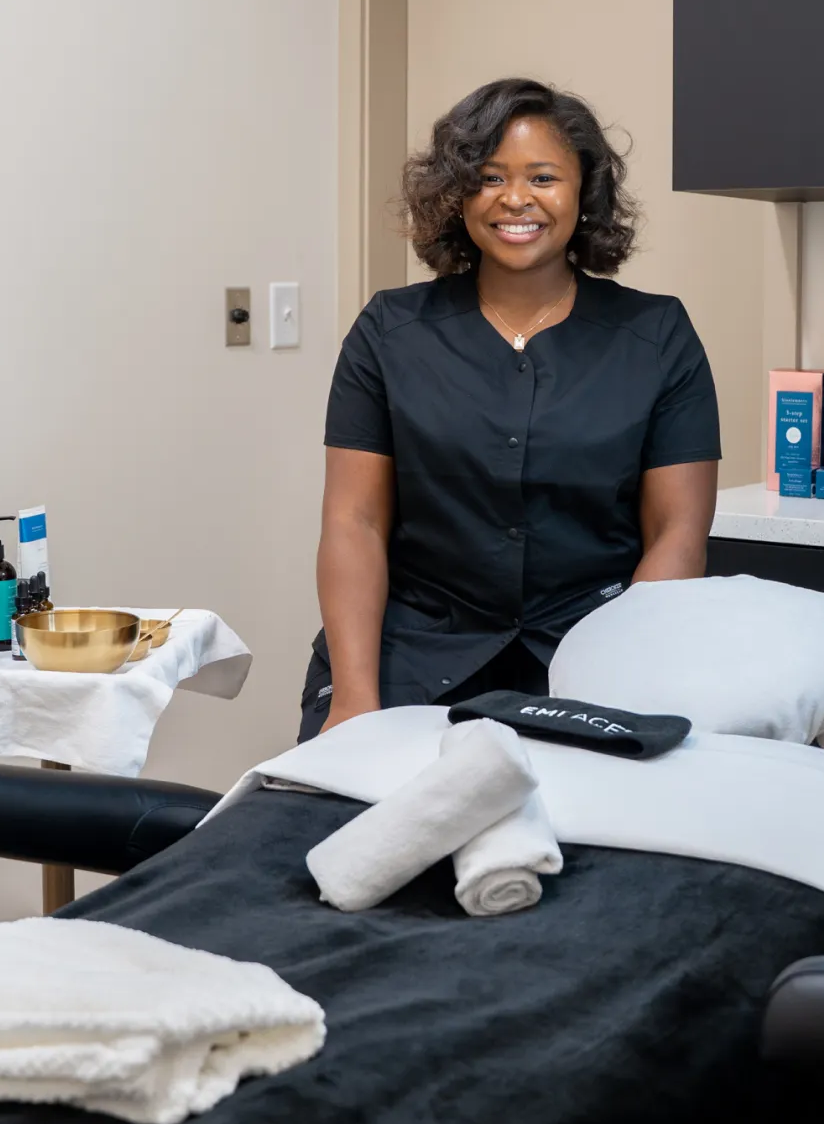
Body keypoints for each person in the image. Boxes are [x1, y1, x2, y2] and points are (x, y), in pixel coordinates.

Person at [301, 77, 720, 742]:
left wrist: (623, 688)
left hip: (590, 654)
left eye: (543, 177)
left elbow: (678, 534)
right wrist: (355, 698)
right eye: (489, 177)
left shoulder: (657, 335)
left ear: (584, 193)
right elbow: (355, 521)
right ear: (456, 195)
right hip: (411, 654)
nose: (515, 198)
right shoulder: (389, 331)